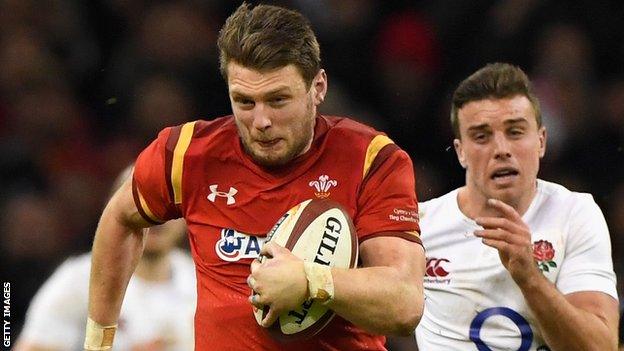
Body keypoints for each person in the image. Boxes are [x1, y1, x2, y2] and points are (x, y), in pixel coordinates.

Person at [85, 3, 425, 351]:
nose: (261, 121)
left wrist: (313, 281)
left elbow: (404, 303)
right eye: (245, 102)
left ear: (318, 87)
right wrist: (98, 343)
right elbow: (120, 218)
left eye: (278, 100)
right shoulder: (187, 153)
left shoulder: (371, 159)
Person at [415, 63, 619, 350]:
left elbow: (600, 347)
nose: (501, 149)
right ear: (461, 152)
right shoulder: (420, 226)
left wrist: (529, 277)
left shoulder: (575, 214)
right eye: (481, 136)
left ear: (541, 141)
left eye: (515, 132)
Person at [14, 167, 196, 351]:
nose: (157, 216)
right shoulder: (79, 279)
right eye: (143, 203)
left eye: (168, 204)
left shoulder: (203, 280)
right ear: (114, 210)